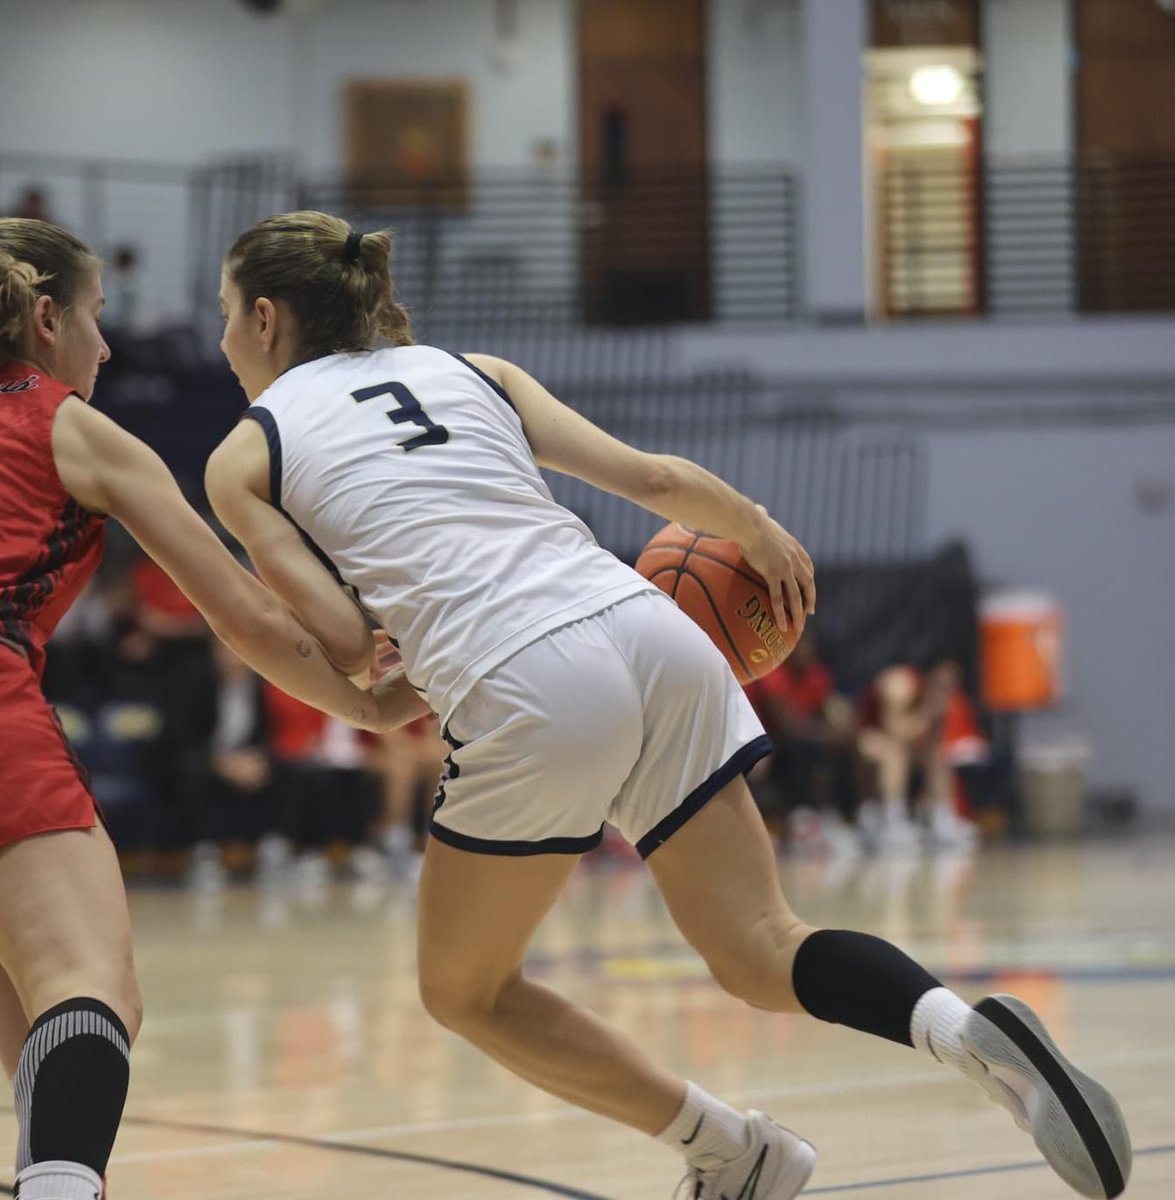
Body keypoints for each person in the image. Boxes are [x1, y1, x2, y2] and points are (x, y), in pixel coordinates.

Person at [206, 211, 1131, 1200]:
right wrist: (759, 531)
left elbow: (332, 645)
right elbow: (650, 480)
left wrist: (383, 687)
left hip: (526, 678)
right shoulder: (472, 369)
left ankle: (726, 1145)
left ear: (265, 319)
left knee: (464, 991)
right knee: (759, 947)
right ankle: (960, 1030)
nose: (221, 340)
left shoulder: (244, 455)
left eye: (225, 315)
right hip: (648, 628)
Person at [0, 218, 393, 1200]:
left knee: (24, 1029)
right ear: (45, 320)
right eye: (94, 318)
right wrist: (366, 698)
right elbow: (249, 616)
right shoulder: (67, 424)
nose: (108, 345)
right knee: (91, 990)